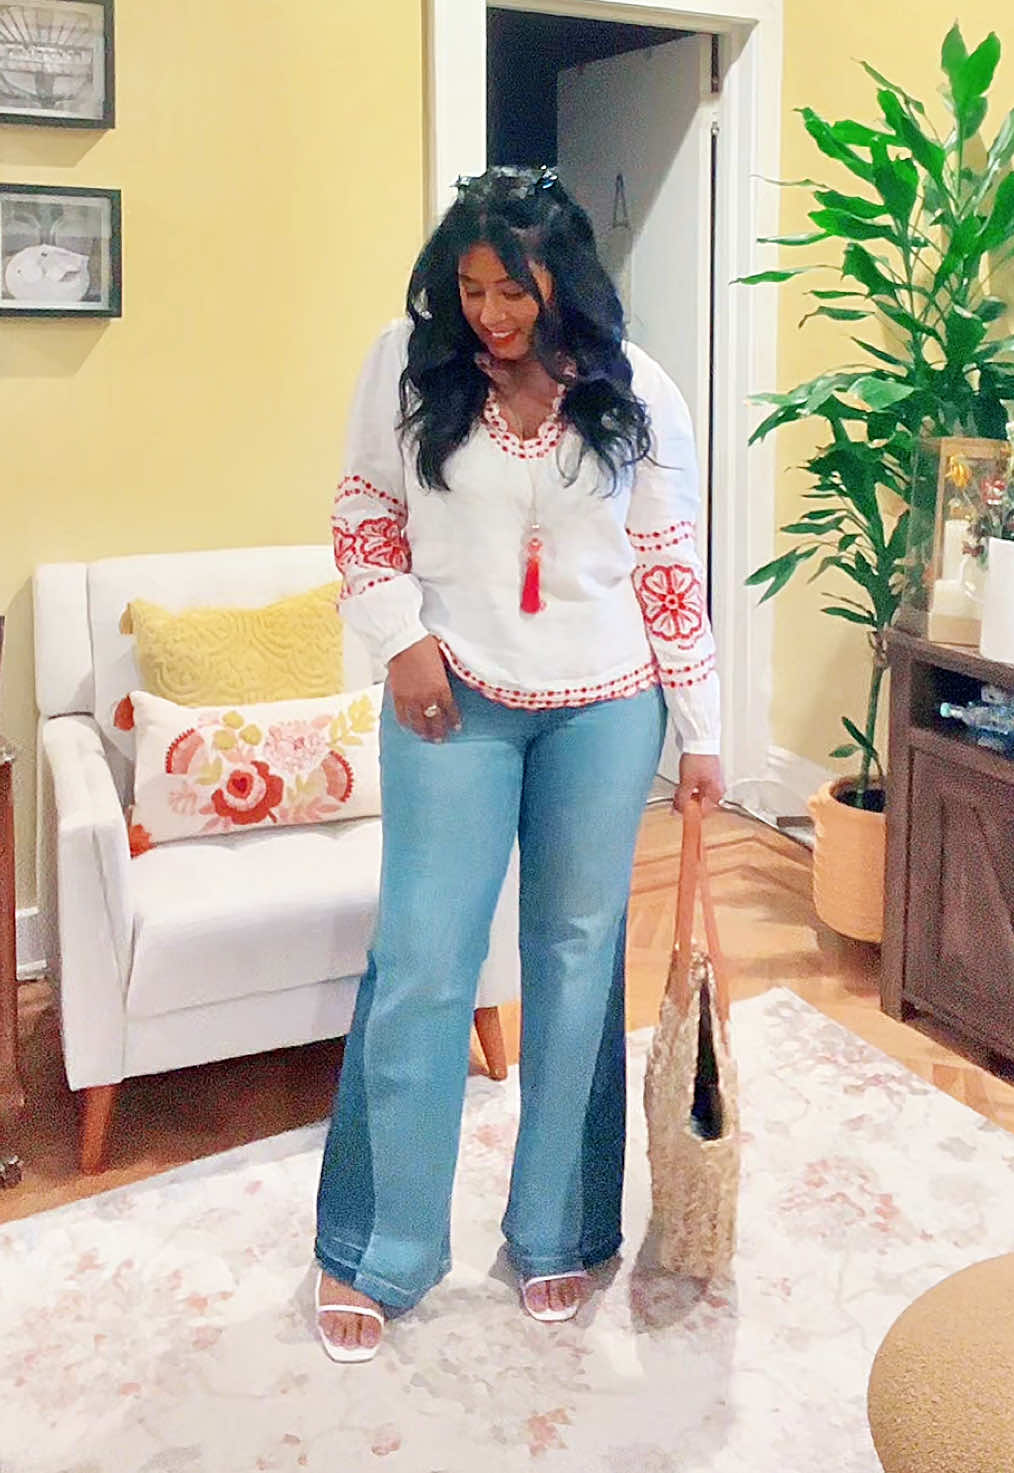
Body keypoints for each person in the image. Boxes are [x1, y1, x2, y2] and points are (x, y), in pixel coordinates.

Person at [314, 166, 724, 1363]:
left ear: (567, 283)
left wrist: (701, 729)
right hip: (455, 697)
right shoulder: (406, 362)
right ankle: (378, 1249)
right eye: (472, 286)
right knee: (425, 965)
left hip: (608, 706)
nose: (489, 313)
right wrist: (402, 643)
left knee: (578, 958)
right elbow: (362, 514)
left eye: (513, 289)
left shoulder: (638, 387)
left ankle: (559, 1229)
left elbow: (664, 565)